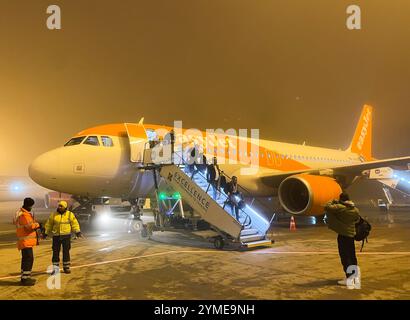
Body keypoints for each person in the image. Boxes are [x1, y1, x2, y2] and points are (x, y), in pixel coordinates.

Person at [325, 192, 361, 289]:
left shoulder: (340, 208)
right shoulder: (355, 209)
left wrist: (333, 200)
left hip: (343, 236)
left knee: (345, 257)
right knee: (352, 257)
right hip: (351, 236)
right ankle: (354, 277)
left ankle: (349, 279)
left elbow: (327, 206)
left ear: (341, 199)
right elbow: (357, 220)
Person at [44, 201, 83, 274]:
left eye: (61, 206)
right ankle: (55, 269)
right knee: (55, 253)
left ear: (65, 207)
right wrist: (45, 233)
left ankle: (66, 267)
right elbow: (49, 224)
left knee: (66, 252)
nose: (59, 207)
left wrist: (77, 232)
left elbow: (75, 224)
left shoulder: (70, 214)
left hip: (66, 236)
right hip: (56, 236)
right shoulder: (54, 215)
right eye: (59, 206)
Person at [14, 198, 41, 286]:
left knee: (25, 259)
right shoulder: (24, 215)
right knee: (29, 259)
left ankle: (24, 277)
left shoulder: (20, 213)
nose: (31, 208)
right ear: (29, 205)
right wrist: (38, 224)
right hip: (26, 240)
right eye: (31, 206)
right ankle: (26, 279)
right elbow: (29, 227)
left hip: (23, 240)